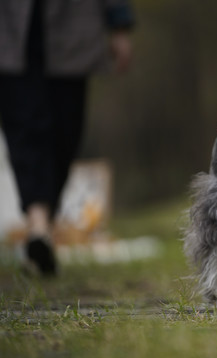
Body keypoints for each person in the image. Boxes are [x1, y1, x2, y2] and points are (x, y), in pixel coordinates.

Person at [0, 0, 135, 275]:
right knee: (25, 126)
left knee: (66, 131)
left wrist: (119, 23)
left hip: (74, 28)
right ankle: (38, 227)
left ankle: (42, 230)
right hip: (9, 31)